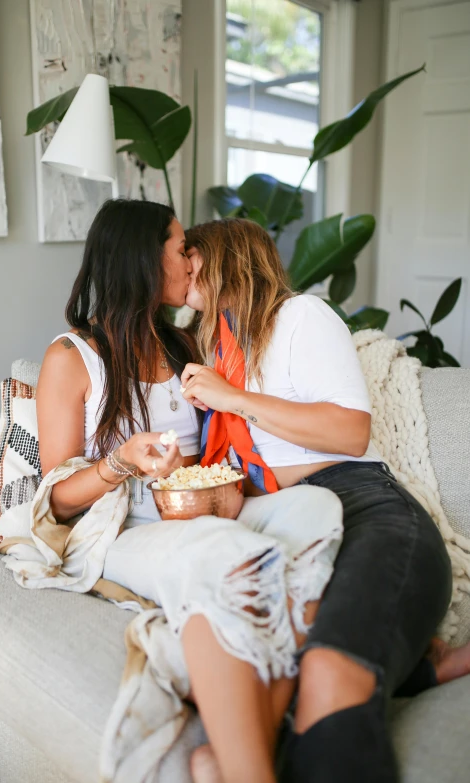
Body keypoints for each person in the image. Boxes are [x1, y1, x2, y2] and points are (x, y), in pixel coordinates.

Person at [36, 199, 346, 783]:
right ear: (144, 261)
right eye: (181, 249)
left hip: (192, 509)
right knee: (225, 557)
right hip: (119, 525)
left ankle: (233, 751)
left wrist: (216, 474)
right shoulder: (71, 358)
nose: (192, 261)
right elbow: (57, 498)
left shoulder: (184, 345)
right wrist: (122, 463)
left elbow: (217, 447)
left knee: (317, 510)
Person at [180, 217, 465, 783]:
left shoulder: (299, 316)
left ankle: (410, 664)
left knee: (329, 676)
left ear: (231, 258)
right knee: (254, 686)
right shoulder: (217, 343)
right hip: (291, 528)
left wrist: (235, 399)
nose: (185, 269)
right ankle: (419, 665)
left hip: (366, 510)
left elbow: (349, 432)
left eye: (195, 258)